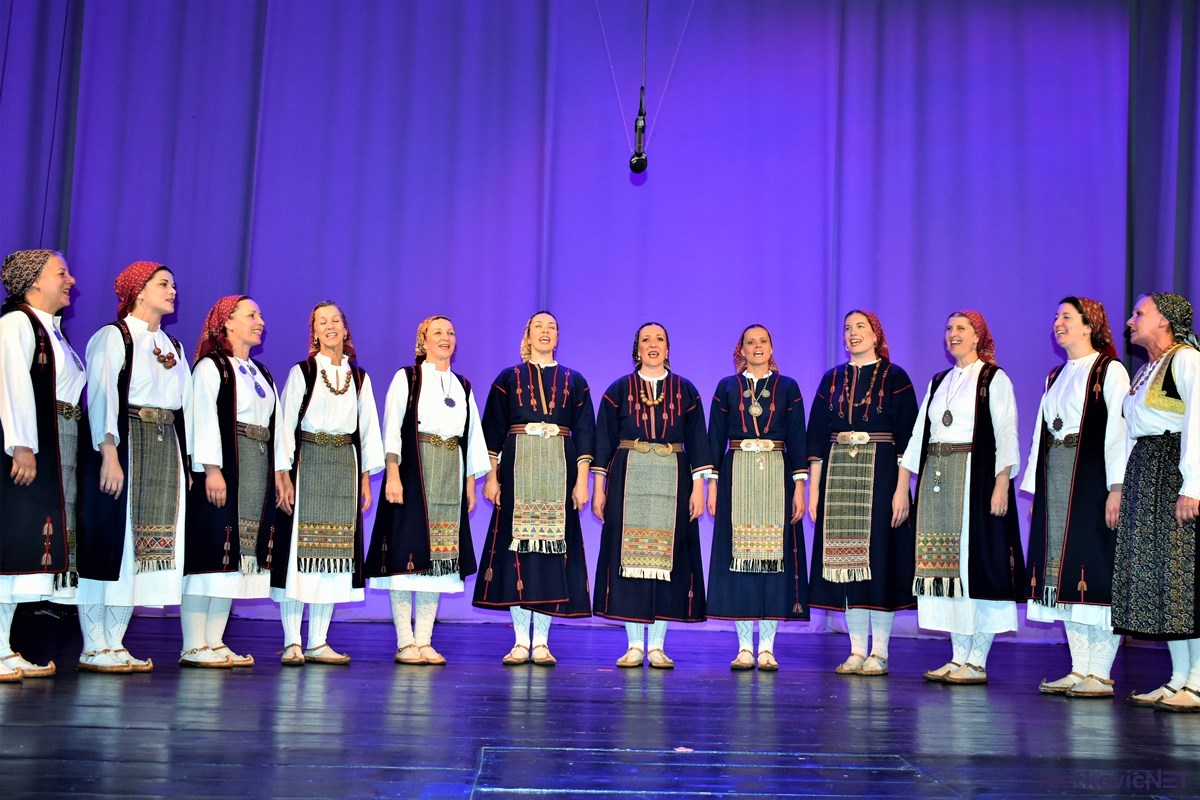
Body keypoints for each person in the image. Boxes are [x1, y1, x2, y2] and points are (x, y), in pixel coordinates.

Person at [899, 310, 1025, 685]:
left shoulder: (993, 378)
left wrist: (1002, 484)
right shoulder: (939, 381)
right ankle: (958, 657)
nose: (953, 334)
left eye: (961, 328)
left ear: (977, 336)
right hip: (937, 478)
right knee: (946, 571)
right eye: (949, 328)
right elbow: (919, 435)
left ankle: (977, 661)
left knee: (974, 569)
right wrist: (903, 484)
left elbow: (1006, 433)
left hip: (975, 479)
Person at [77, 261, 191, 673]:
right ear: (138, 291)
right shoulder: (114, 336)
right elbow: (103, 396)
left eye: (173, 285)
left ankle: (116, 641)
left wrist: (189, 464)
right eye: (163, 284)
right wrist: (108, 453)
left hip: (163, 445)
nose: (172, 291)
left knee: (138, 551)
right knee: (111, 542)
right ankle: (94, 645)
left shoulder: (173, 346)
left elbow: (186, 407)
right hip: (123, 441)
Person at [472, 312, 595, 665]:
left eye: (551, 327)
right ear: (527, 336)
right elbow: (492, 432)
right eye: (538, 326)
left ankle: (541, 641)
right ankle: (519, 641)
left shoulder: (575, 381)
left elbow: (585, 434)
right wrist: (491, 478)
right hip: (516, 474)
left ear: (558, 337)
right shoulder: (507, 378)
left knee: (551, 560)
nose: (545, 331)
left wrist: (581, 482)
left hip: (559, 476)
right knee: (517, 560)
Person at [366, 315, 488, 666]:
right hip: (413, 469)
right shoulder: (408, 378)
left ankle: (424, 640)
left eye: (451, 332)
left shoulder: (462, 385)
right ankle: (405, 641)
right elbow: (392, 427)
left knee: (439, 560)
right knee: (406, 554)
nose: (446, 337)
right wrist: (392, 474)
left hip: (449, 472)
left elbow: (471, 437)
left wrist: (469, 484)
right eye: (438, 332)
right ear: (423, 340)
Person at [1022, 297, 1128, 698]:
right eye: (1056, 317)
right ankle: (1079, 667)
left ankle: (1100, 672)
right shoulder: (1055, 375)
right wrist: (1036, 489)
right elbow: (1041, 435)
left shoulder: (1109, 370)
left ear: (1089, 325)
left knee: (1093, 568)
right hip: (1056, 478)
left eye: (1066, 316)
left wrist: (1117, 488)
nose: (1058, 322)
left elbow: (1118, 433)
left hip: (1091, 480)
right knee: (1062, 573)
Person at [592, 322, 711, 668]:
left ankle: (657, 646)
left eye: (659, 339)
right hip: (627, 479)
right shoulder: (618, 390)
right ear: (638, 349)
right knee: (628, 563)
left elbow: (698, 442)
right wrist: (599, 490)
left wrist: (699, 488)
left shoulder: (686, 390)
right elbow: (603, 442)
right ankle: (633, 645)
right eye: (646, 339)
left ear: (667, 348)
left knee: (667, 562)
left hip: (674, 479)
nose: (653, 344)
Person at [807, 310, 918, 677]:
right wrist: (814, 490)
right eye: (847, 328)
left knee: (879, 562)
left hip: (882, 474)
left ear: (876, 335)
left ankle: (880, 652)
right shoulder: (832, 379)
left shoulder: (895, 377)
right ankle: (856, 650)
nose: (853, 333)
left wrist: (902, 489)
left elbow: (909, 439)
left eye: (860, 327)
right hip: (839, 475)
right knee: (847, 565)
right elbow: (816, 438)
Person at [273, 301, 383, 666]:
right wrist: (283, 475)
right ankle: (292, 641)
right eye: (322, 322)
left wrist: (365, 479)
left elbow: (367, 431)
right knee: (298, 557)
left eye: (336, 320)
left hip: (344, 468)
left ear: (345, 329)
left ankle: (318, 641)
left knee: (334, 559)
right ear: (315, 332)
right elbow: (286, 425)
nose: (330, 326)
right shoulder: (303, 372)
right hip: (308, 462)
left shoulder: (360, 378)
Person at [0, 250, 86, 680]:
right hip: (30, 445)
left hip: (55, 443)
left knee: (29, 545)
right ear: (34, 281)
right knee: (13, 540)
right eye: (61, 273)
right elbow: (10, 383)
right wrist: (21, 444)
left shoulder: (53, 331)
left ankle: (5, 646)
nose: (71, 280)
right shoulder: (17, 323)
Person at [181, 296, 280, 668]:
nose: (260, 321)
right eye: (251, 315)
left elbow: (275, 425)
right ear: (227, 323)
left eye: (260, 314)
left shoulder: (260, 371)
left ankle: (215, 640)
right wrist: (211, 469)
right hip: (224, 466)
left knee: (236, 556)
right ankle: (193, 644)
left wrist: (279, 473)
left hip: (254, 467)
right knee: (210, 551)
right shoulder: (212, 367)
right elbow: (203, 417)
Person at [1112, 292, 1200, 711]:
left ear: (1164, 320)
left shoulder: (1186, 360)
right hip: (1148, 470)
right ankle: (1179, 677)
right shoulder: (1148, 368)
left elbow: (1197, 422)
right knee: (1165, 579)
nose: (1131, 321)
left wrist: (1193, 485)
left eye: (1139, 313)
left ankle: (1198, 680)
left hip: (1174, 470)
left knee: (1184, 575)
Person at [705, 324, 808, 671]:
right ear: (742, 350)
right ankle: (744, 648)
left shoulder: (788, 387)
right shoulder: (727, 387)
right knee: (739, 563)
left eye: (763, 341)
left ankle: (767, 648)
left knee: (774, 564)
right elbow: (715, 438)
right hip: (736, 474)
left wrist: (800, 487)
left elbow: (797, 438)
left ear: (771, 347)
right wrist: (712, 486)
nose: (757, 346)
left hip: (777, 474)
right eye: (750, 342)